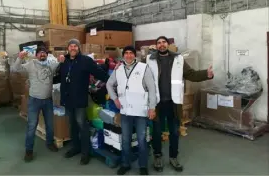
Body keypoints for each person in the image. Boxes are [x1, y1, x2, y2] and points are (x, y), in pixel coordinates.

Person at [147, 36, 214, 172]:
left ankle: (173, 157)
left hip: (174, 103)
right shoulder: (149, 59)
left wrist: (206, 74)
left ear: (168, 44)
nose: (161, 45)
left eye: (163, 42)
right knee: (157, 132)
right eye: (158, 43)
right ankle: (158, 156)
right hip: (157, 103)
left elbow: (191, 74)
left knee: (174, 132)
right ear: (156, 46)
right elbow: (139, 73)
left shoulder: (179, 59)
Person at [53, 39, 109, 165]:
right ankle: (76, 147)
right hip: (67, 99)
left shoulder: (86, 61)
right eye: (70, 46)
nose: (73, 48)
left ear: (79, 48)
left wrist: (112, 81)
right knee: (72, 125)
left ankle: (85, 152)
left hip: (79, 99)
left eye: (75, 46)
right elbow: (58, 77)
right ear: (68, 48)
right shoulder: (64, 61)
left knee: (82, 125)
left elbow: (100, 73)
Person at [106, 46, 157, 175]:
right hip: (125, 111)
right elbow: (109, 84)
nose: (128, 55)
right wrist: (115, 99)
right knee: (126, 139)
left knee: (141, 139)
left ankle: (143, 166)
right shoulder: (118, 69)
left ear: (135, 55)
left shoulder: (143, 68)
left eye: (131, 53)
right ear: (123, 56)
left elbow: (152, 89)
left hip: (141, 111)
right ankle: (125, 164)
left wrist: (152, 107)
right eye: (126, 53)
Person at [13, 44, 63, 162]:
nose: (42, 54)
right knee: (32, 126)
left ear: (47, 54)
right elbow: (15, 69)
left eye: (44, 52)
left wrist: (61, 60)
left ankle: (49, 143)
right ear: (36, 55)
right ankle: (28, 151)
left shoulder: (51, 65)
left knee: (50, 125)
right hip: (34, 100)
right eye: (40, 52)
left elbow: (61, 65)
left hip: (48, 100)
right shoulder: (30, 65)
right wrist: (19, 58)